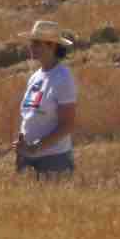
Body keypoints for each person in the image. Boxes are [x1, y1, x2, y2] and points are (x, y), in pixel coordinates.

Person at [14, 20, 78, 177]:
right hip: (27, 158)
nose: (31, 46)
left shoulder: (63, 77)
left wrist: (37, 147)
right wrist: (24, 148)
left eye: (36, 43)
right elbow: (30, 115)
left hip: (54, 160)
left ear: (52, 46)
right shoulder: (35, 76)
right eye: (31, 42)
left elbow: (68, 125)